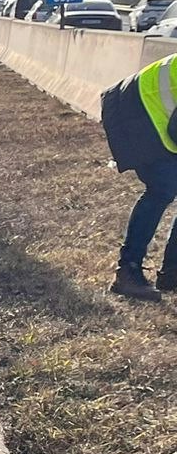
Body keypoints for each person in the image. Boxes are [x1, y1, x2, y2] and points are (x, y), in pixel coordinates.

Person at [100, 54, 177, 299]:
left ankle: (172, 274)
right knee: (162, 188)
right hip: (134, 109)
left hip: (147, 109)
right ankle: (127, 272)